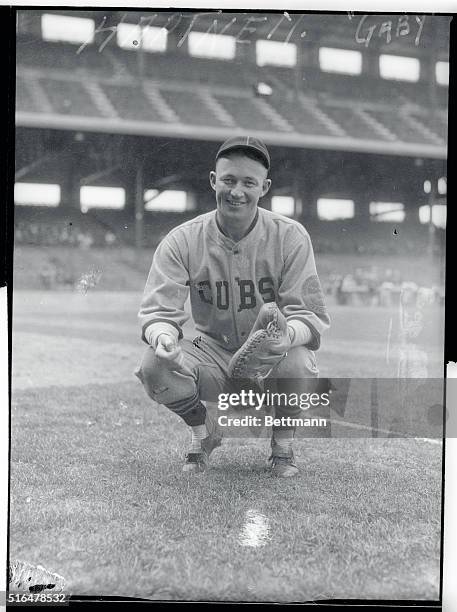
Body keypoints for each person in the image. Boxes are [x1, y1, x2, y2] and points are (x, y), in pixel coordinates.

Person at [135, 136, 330, 477]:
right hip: (212, 352)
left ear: (264, 187)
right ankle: (204, 432)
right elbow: (158, 313)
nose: (236, 191)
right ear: (214, 180)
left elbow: (309, 315)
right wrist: (163, 337)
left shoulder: (291, 236)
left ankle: (282, 446)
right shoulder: (182, 239)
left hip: (268, 355)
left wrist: (288, 337)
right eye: (228, 180)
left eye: (248, 183)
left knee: (298, 360)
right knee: (154, 365)